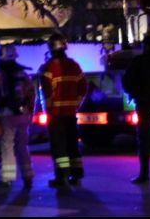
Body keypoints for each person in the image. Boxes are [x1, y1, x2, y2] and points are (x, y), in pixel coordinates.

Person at [0, 44, 36, 190]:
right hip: (23, 115)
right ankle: (28, 177)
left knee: (6, 147)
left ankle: (6, 180)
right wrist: (30, 111)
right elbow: (32, 93)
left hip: (6, 116)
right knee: (22, 147)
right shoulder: (23, 74)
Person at [39, 34, 87, 188]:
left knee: (59, 147)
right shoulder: (74, 66)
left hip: (56, 115)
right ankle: (77, 175)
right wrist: (76, 104)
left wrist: (49, 110)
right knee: (73, 144)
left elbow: (47, 94)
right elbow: (83, 87)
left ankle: (62, 177)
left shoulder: (48, 68)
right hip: (71, 113)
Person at [122, 34, 150, 184]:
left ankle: (144, 174)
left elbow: (126, 80)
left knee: (143, 140)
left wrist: (135, 93)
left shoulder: (138, 62)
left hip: (143, 104)